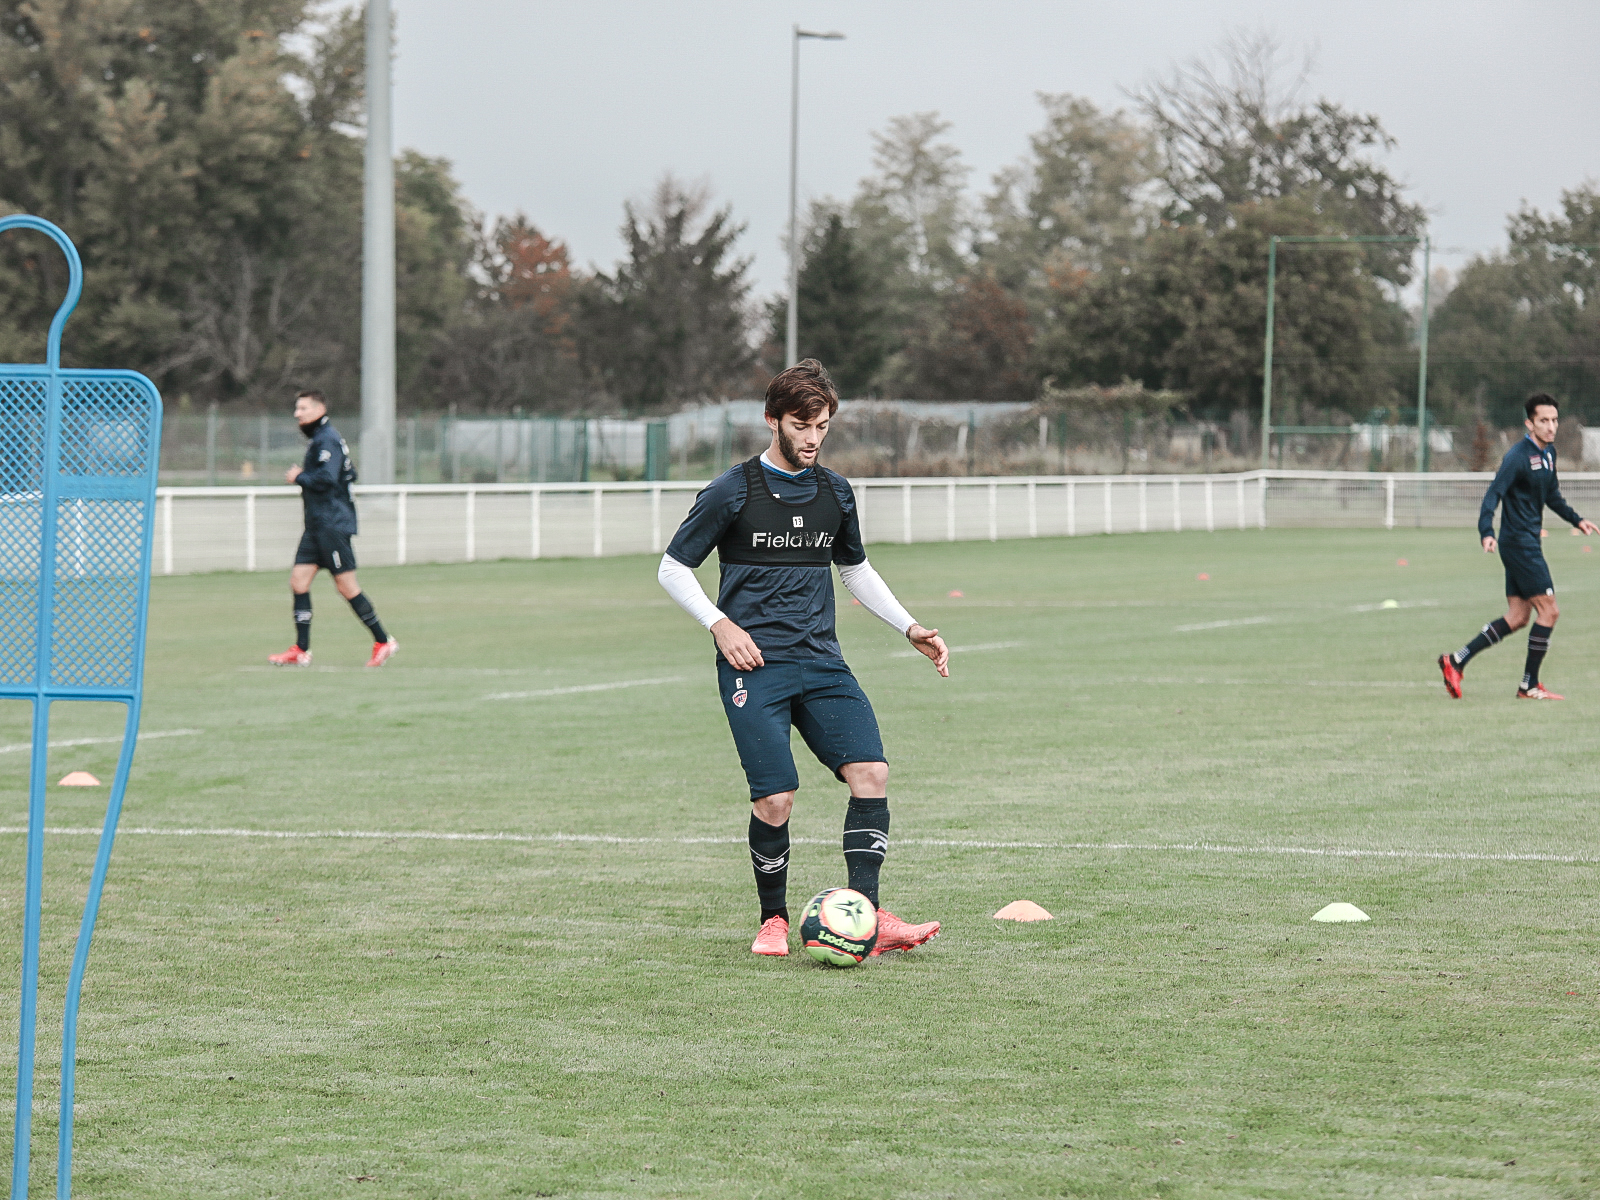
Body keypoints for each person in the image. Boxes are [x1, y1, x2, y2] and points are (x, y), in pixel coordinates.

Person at [658, 360, 949, 958]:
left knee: (871, 773)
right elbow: (672, 567)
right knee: (776, 798)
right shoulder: (732, 490)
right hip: (754, 666)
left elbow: (855, 569)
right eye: (801, 424)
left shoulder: (835, 492)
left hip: (822, 663)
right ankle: (773, 920)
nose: (813, 438)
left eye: (822, 426)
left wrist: (909, 626)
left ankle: (865, 916)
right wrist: (720, 625)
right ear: (773, 421)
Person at [1438, 393, 1596, 699]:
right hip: (1519, 544)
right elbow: (1493, 494)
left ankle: (1456, 661)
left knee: (1518, 617)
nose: (1551, 427)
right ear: (1530, 423)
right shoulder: (1517, 457)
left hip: (1526, 542)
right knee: (1549, 612)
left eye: (1554, 420)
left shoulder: (1549, 454)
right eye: (1543, 421)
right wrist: (1486, 531)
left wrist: (1577, 520)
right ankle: (1529, 685)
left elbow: (1552, 496)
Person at [267, 390, 399, 668]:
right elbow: (349, 473)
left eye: (302, 408)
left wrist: (299, 477)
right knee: (298, 582)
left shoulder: (328, 439)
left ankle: (383, 641)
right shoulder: (321, 440)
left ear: (318, 409)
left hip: (332, 526)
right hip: (316, 526)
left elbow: (328, 477)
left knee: (347, 587)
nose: (297, 414)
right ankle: (301, 650)